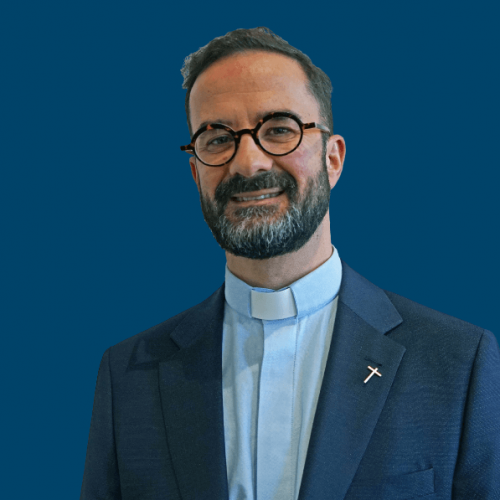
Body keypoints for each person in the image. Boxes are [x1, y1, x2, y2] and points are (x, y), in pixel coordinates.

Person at [80, 27, 500, 500]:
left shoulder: (458, 364)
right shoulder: (128, 376)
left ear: (332, 159)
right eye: (217, 139)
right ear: (196, 172)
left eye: (279, 130)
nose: (248, 163)